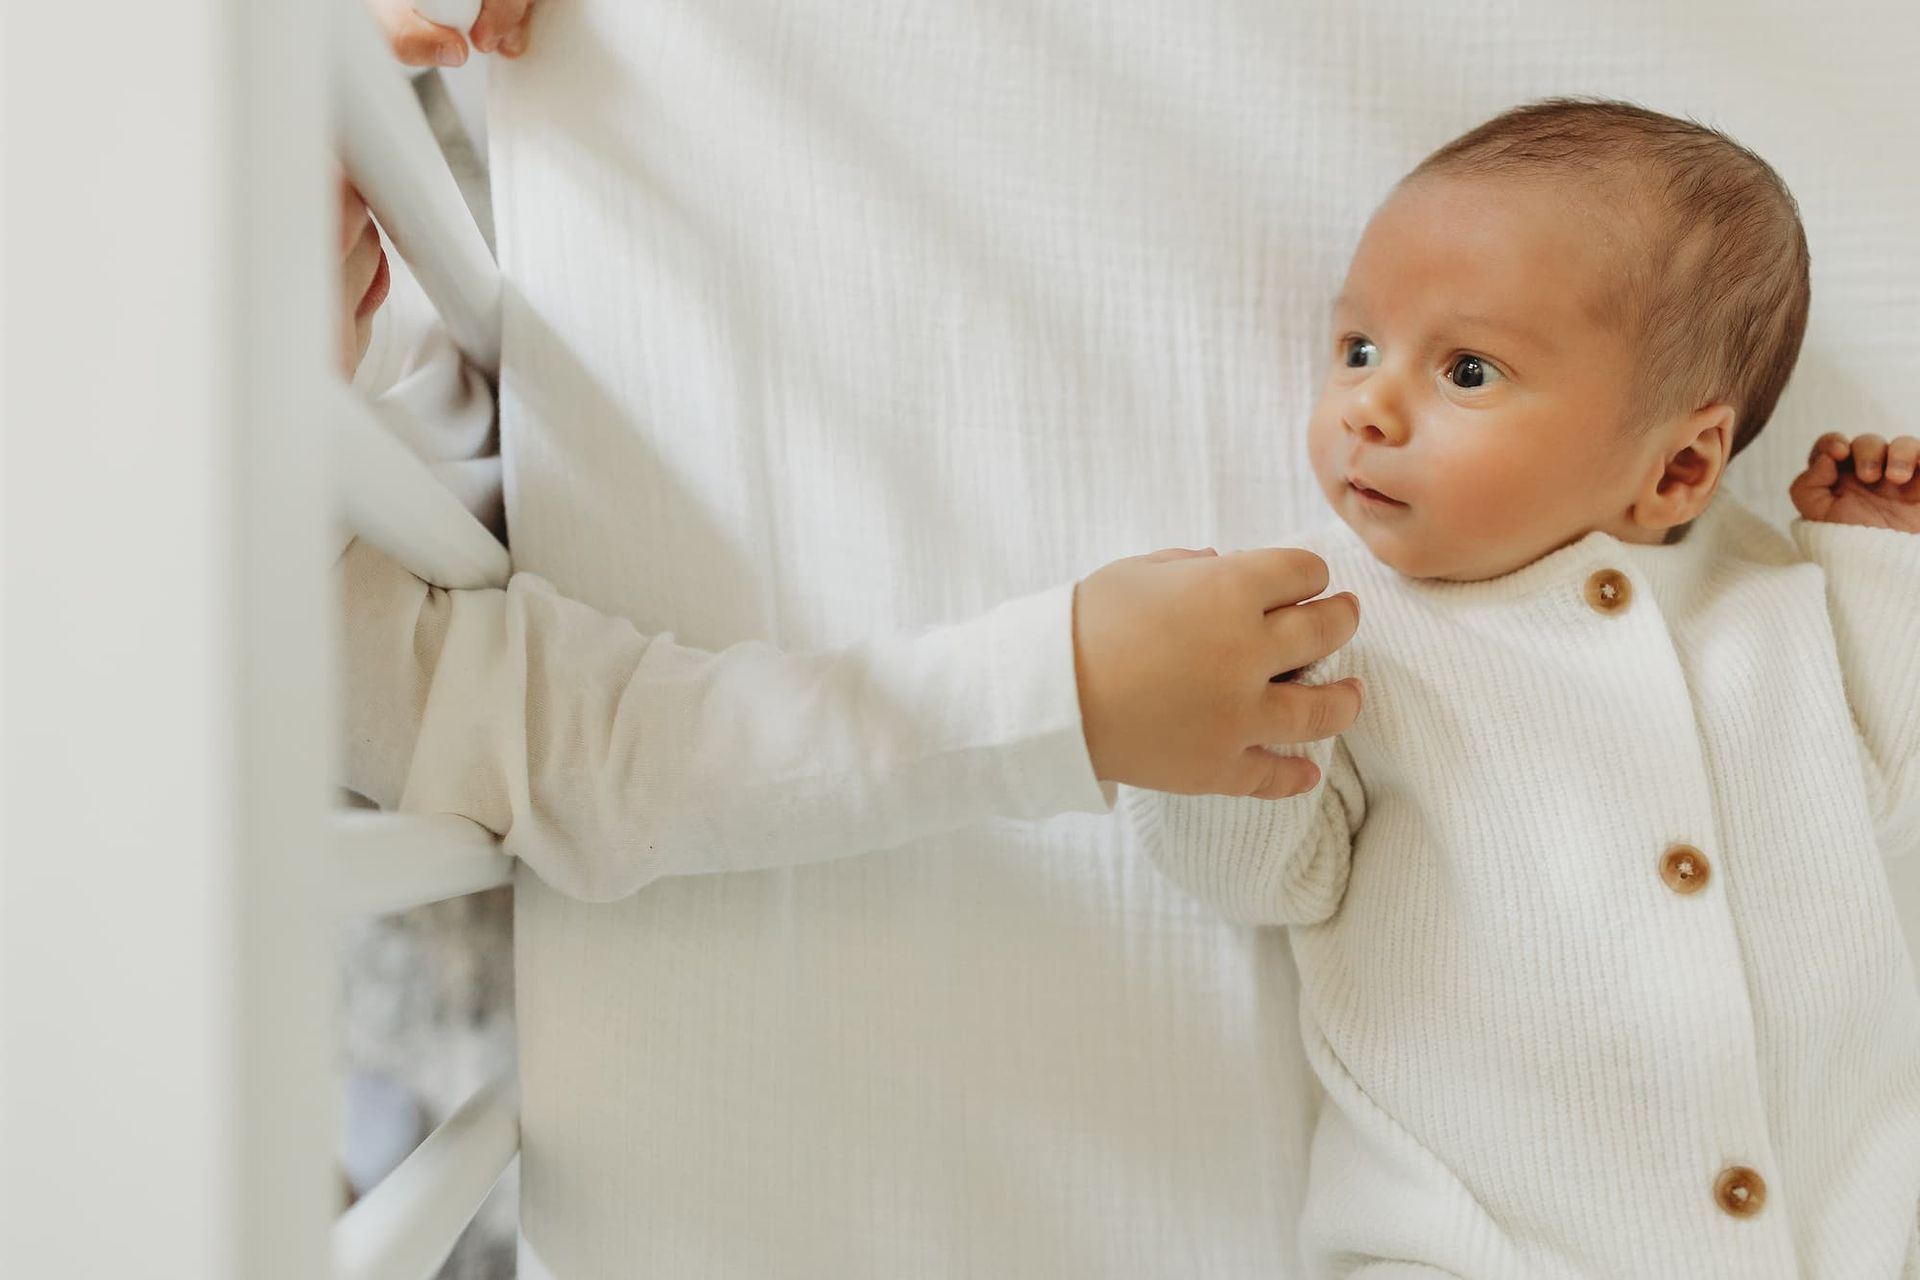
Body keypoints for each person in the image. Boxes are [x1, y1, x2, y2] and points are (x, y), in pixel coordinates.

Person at [1128, 99, 1920, 1278]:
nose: (1369, 404)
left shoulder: (1770, 600)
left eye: (1466, 369)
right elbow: (1263, 880)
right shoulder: (1332, 618)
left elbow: (1889, 802)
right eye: (1355, 348)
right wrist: (1214, 719)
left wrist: (1878, 562)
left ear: (1682, 466)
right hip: (1468, 1244)